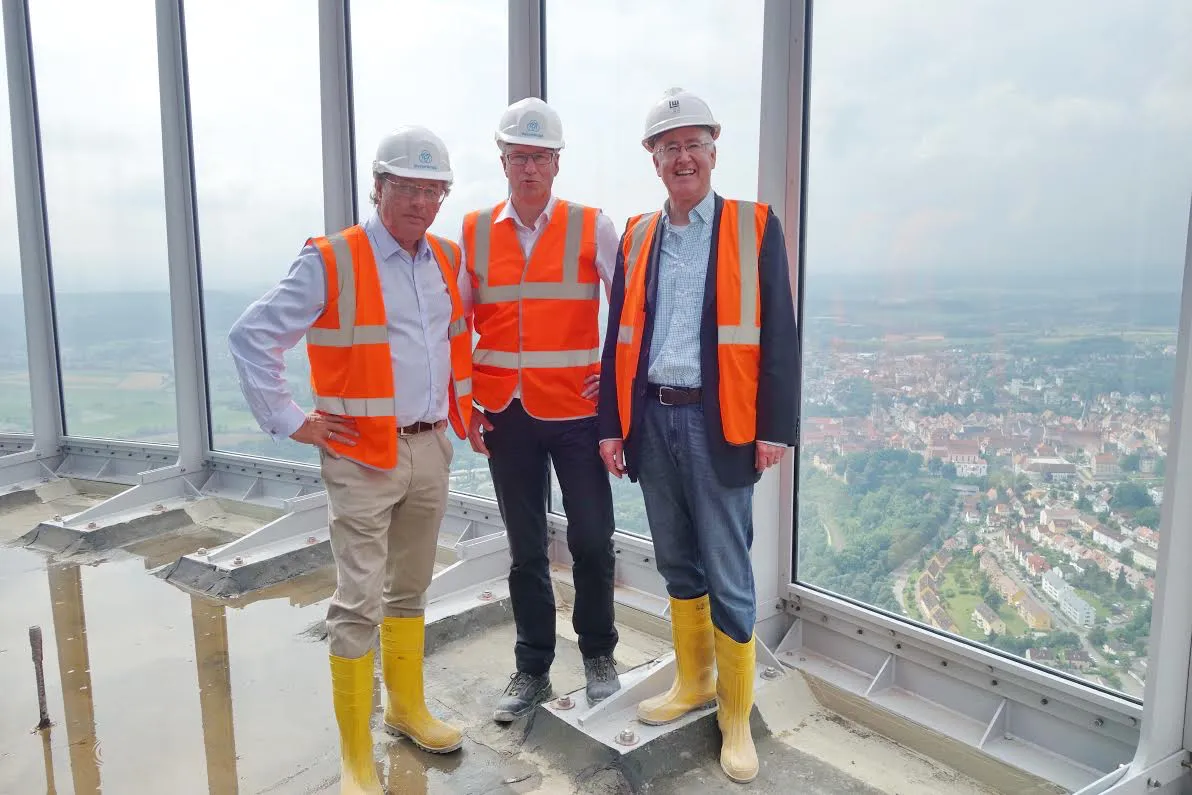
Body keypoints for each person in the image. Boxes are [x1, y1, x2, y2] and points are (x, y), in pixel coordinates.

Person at [228, 126, 473, 794]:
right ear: (379, 185)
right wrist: (291, 419)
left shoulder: (446, 260)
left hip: (429, 447)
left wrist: (461, 417)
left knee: (410, 588)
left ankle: (405, 707)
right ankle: (356, 753)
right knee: (358, 601)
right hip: (361, 457)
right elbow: (251, 336)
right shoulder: (333, 259)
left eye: (433, 190)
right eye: (408, 188)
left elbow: (459, 342)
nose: (421, 202)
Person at [597, 88, 799, 784]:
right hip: (652, 418)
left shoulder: (753, 225)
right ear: (653, 160)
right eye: (668, 147)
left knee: (728, 567)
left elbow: (779, 334)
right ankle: (694, 681)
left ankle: (735, 715)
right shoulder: (637, 235)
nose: (682, 157)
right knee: (678, 561)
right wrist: (611, 424)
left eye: (692, 145)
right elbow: (618, 337)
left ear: (714, 151)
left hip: (722, 424)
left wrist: (774, 427)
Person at [458, 97, 621, 721]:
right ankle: (532, 668)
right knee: (525, 547)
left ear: (557, 163)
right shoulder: (473, 232)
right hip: (507, 413)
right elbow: (458, 327)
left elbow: (629, 313)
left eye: (541, 157)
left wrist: (612, 390)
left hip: (577, 413)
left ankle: (599, 655)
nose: (530, 168)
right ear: (503, 160)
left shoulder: (591, 225)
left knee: (591, 538)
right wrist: (468, 402)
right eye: (519, 156)